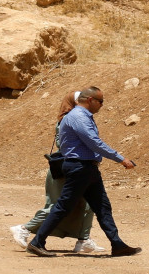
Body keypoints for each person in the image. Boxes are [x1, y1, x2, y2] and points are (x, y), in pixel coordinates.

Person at [26, 86, 142, 258]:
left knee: (102, 207)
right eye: (100, 101)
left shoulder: (81, 117)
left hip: (87, 168)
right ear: (90, 100)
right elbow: (94, 142)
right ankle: (37, 242)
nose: (102, 105)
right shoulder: (78, 117)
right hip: (79, 167)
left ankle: (117, 244)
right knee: (63, 206)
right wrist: (121, 159)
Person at [9, 91, 105, 253]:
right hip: (67, 170)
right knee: (58, 206)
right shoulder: (66, 121)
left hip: (79, 169)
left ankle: (83, 239)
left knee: (86, 204)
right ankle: (24, 229)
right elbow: (65, 145)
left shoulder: (80, 120)